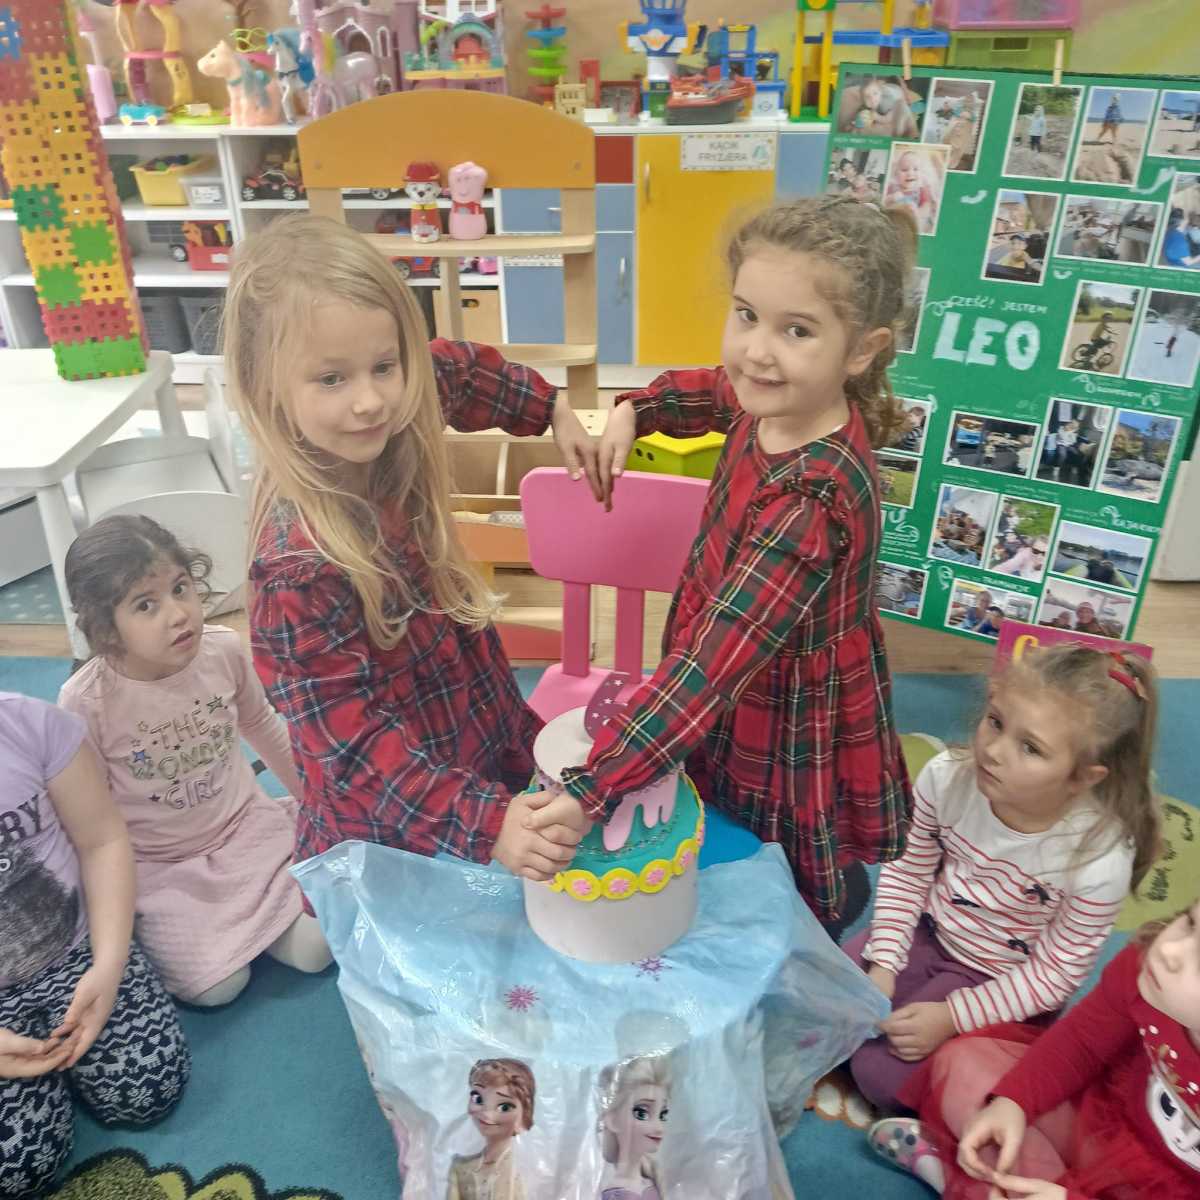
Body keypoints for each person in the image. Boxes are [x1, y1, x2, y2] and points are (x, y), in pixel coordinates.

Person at [529, 196, 916, 934]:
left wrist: (594, 787)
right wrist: (636, 409)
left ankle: (811, 933)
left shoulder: (810, 502)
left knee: (785, 851)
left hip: (784, 704)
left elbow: (708, 670)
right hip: (736, 672)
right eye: (746, 315)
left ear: (861, 351)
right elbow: (708, 387)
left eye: (796, 330)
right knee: (717, 802)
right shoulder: (773, 402)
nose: (756, 352)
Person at [224, 214, 598, 885]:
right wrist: (487, 822)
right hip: (399, 829)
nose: (371, 400)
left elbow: (457, 371)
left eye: (384, 366)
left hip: (473, 725)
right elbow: (355, 752)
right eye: (331, 380)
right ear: (265, 386)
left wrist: (550, 409)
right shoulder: (295, 570)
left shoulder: (398, 405)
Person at [847, 644, 1160, 1111]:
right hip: (929, 933)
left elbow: (1053, 975)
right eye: (995, 721)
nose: (992, 751)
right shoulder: (946, 777)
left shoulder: (1099, 859)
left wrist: (952, 1017)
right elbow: (908, 872)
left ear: (1083, 778)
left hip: (1004, 984)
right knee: (829, 996)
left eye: (1030, 748)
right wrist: (885, 963)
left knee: (880, 1075)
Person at [59, 515, 332, 1007]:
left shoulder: (221, 650)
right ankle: (225, 939)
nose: (178, 614)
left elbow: (263, 725)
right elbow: (89, 821)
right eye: (146, 605)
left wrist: (318, 806)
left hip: (247, 830)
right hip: (162, 869)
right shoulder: (87, 701)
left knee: (317, 949)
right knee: (217, 989)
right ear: (106, 628)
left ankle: (256, 927)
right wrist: (106, 910)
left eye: (180, 588)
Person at [867, 896, 1200, 1199]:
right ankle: (978, 1182)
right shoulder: (1147, 970)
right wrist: (1015, 1101)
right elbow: (1083, 1042)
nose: (1169, 950)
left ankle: (961, 1182)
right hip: (1106, 1118)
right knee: (965, 1066)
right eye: (1190, 922)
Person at [0, 691, 189, 1197]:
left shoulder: (27, 725)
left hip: (76, 951)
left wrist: (108, 964)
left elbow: (102, 839)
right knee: (17, 1167)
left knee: (149, 1088)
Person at [447, 1059, 535, 1200]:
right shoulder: (460, 1167)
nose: (487, 1114)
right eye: (478, 1099)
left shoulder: (525, 1169)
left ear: (523, 1116)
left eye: (504, 1107)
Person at [596, 1056, 671, 1200]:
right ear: (612, 1120)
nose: (659, 1127)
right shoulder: (615, 1191)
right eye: (641, 1113)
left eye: (662, 1115)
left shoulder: (651, 1179)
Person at [885, 150, 940, 235]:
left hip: (912, 224)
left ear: (921, 173)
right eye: (904, 170)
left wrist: (918, 212)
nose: (910, 173)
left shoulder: (921, 189)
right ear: (896, 174)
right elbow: (884, 201)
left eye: (916, 169)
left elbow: (927, 207)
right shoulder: (893, 187)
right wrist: (891, 197)